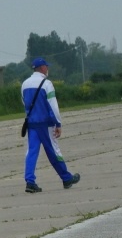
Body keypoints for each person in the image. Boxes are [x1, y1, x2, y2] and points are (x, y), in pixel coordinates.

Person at [21, 57, 80, 193]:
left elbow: (24, 102)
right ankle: (66, 178)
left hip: (32, 123)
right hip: (46, 124)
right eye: (46, 66)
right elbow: (53, 106)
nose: (48, 69)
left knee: (31, 152)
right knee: (54, 151)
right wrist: (58, 123)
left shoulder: (24, 84)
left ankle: (30, 181)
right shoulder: (47, 84)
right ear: (42, 68)